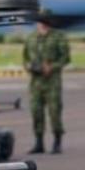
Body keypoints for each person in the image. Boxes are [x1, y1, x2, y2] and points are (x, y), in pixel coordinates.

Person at [23, 8, 70, 154]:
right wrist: (29, 66)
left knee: (55, 112)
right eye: (40, 21)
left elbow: (66, 58)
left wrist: (52, 67)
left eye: (45, 21)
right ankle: (39, 143)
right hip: (36, 83)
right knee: (36, 112)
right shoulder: (31, 38)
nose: (42, 24)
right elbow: (25, 57)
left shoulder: (58, 37)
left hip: (52, 82)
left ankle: (57, 142)